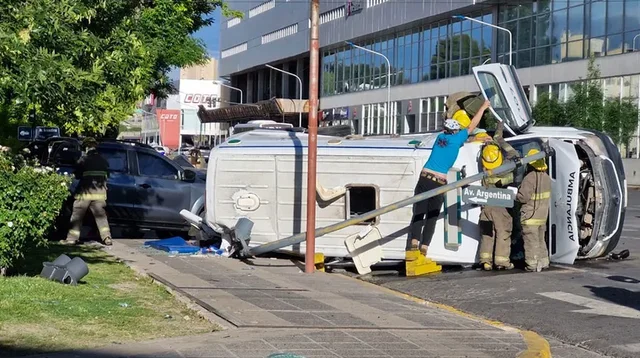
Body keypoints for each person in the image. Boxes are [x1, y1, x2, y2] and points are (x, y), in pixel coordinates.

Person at [407, 100, 491, 260]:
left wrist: (471, 140)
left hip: (424, 178)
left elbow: (459, 143)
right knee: (431, 216)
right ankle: (424, 248)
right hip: (438, 182)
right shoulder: (457, 138)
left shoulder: (440, 138)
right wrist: (483, 107)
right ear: (455, 131)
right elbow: (473, 124)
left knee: (418, 213)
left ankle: (413, 243)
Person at [63, 137, 112, 246]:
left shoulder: (84, 159)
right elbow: (107, 176)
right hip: (100, 194)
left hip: (85, 193)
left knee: (77, 215)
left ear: (86, 147)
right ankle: (107, 238)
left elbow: (77, 174)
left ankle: (72, 238)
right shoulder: (104, 161)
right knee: (101, 217)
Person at [477, 143, 516, 271]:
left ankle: (486, 262)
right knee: (503, 233)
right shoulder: (504, 168)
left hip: (486, 207)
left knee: (487, 234)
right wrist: (499, 139)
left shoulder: (482, 169)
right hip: (501, 207)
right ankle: (501, 261)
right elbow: (514, 156)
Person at [516, 148, 551, 272]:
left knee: (531, 241)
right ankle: (544, 261)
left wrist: (515, 195)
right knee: (541, 240)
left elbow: (523, 197)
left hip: (530, 216)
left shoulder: (529, 178)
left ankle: (532, 264)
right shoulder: (546, 177)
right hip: (542, 217)